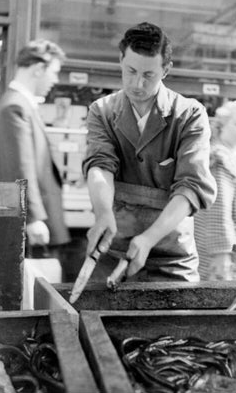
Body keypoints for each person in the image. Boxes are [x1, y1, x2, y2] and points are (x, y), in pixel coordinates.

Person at [82, 22, 216, 282]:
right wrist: (102, 213)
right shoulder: (103, 111)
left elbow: (191, 187)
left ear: (166, 70)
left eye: (148, 75)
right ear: (121, 60)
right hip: (112, 248)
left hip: (171, 256)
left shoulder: (189, 114)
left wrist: (149, 239)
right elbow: (100, 166)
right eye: (131, 71)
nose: (137, 83)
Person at [0, 39, 70, 259]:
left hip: (36, 222)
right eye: (54, 72)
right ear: (38, 69)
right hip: (32, 225)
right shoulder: (15, 107)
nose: (55, 79)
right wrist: (32, 218)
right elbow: (20, 168)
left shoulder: (19, 104)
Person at [194, 100, 236, 281]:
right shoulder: (220, 159)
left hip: (235, 251)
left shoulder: (231, 158)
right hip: (224, 255)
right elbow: (218, 210)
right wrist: (221, 254)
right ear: (222, 125)